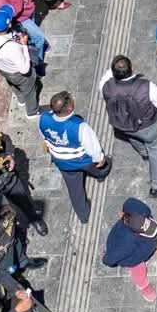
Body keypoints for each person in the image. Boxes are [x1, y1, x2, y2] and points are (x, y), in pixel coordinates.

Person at [100, 55, 157, 197]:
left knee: (133, 138)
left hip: (122, 124)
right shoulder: (146, 86)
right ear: (132, 69)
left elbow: (104, 91)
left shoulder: (105, 85)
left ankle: (144, 153)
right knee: (156, 149)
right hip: (147, 126)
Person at [37, 91, 111, 223]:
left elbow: (45, 137)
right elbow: (93, 148)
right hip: (83, 161)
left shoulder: (43, 118)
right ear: (70, 107)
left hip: (62, 163)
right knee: (101, 165)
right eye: (71, 98)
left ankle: (83, 215)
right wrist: (101, 159)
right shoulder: (80, 126)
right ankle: (100, 175)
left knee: (74, 191)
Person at [102, 197, 157, 304]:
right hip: (135, 259)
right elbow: (110, 258)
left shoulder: (141, 211)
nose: (153, 229)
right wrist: (105, 259)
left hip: (140, 242)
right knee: (139, 271)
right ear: (136, 233)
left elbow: (130, 202)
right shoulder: (125, 243)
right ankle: (144, 287)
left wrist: (126, 213)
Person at [0, 9, 42, 112]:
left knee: (13, 84)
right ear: (9, 24)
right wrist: (23, 45)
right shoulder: (12, 48)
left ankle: (21, 100)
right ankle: (32, 112)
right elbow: (24, 69)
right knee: (29, 90)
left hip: (3, 68)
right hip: (18, 73)